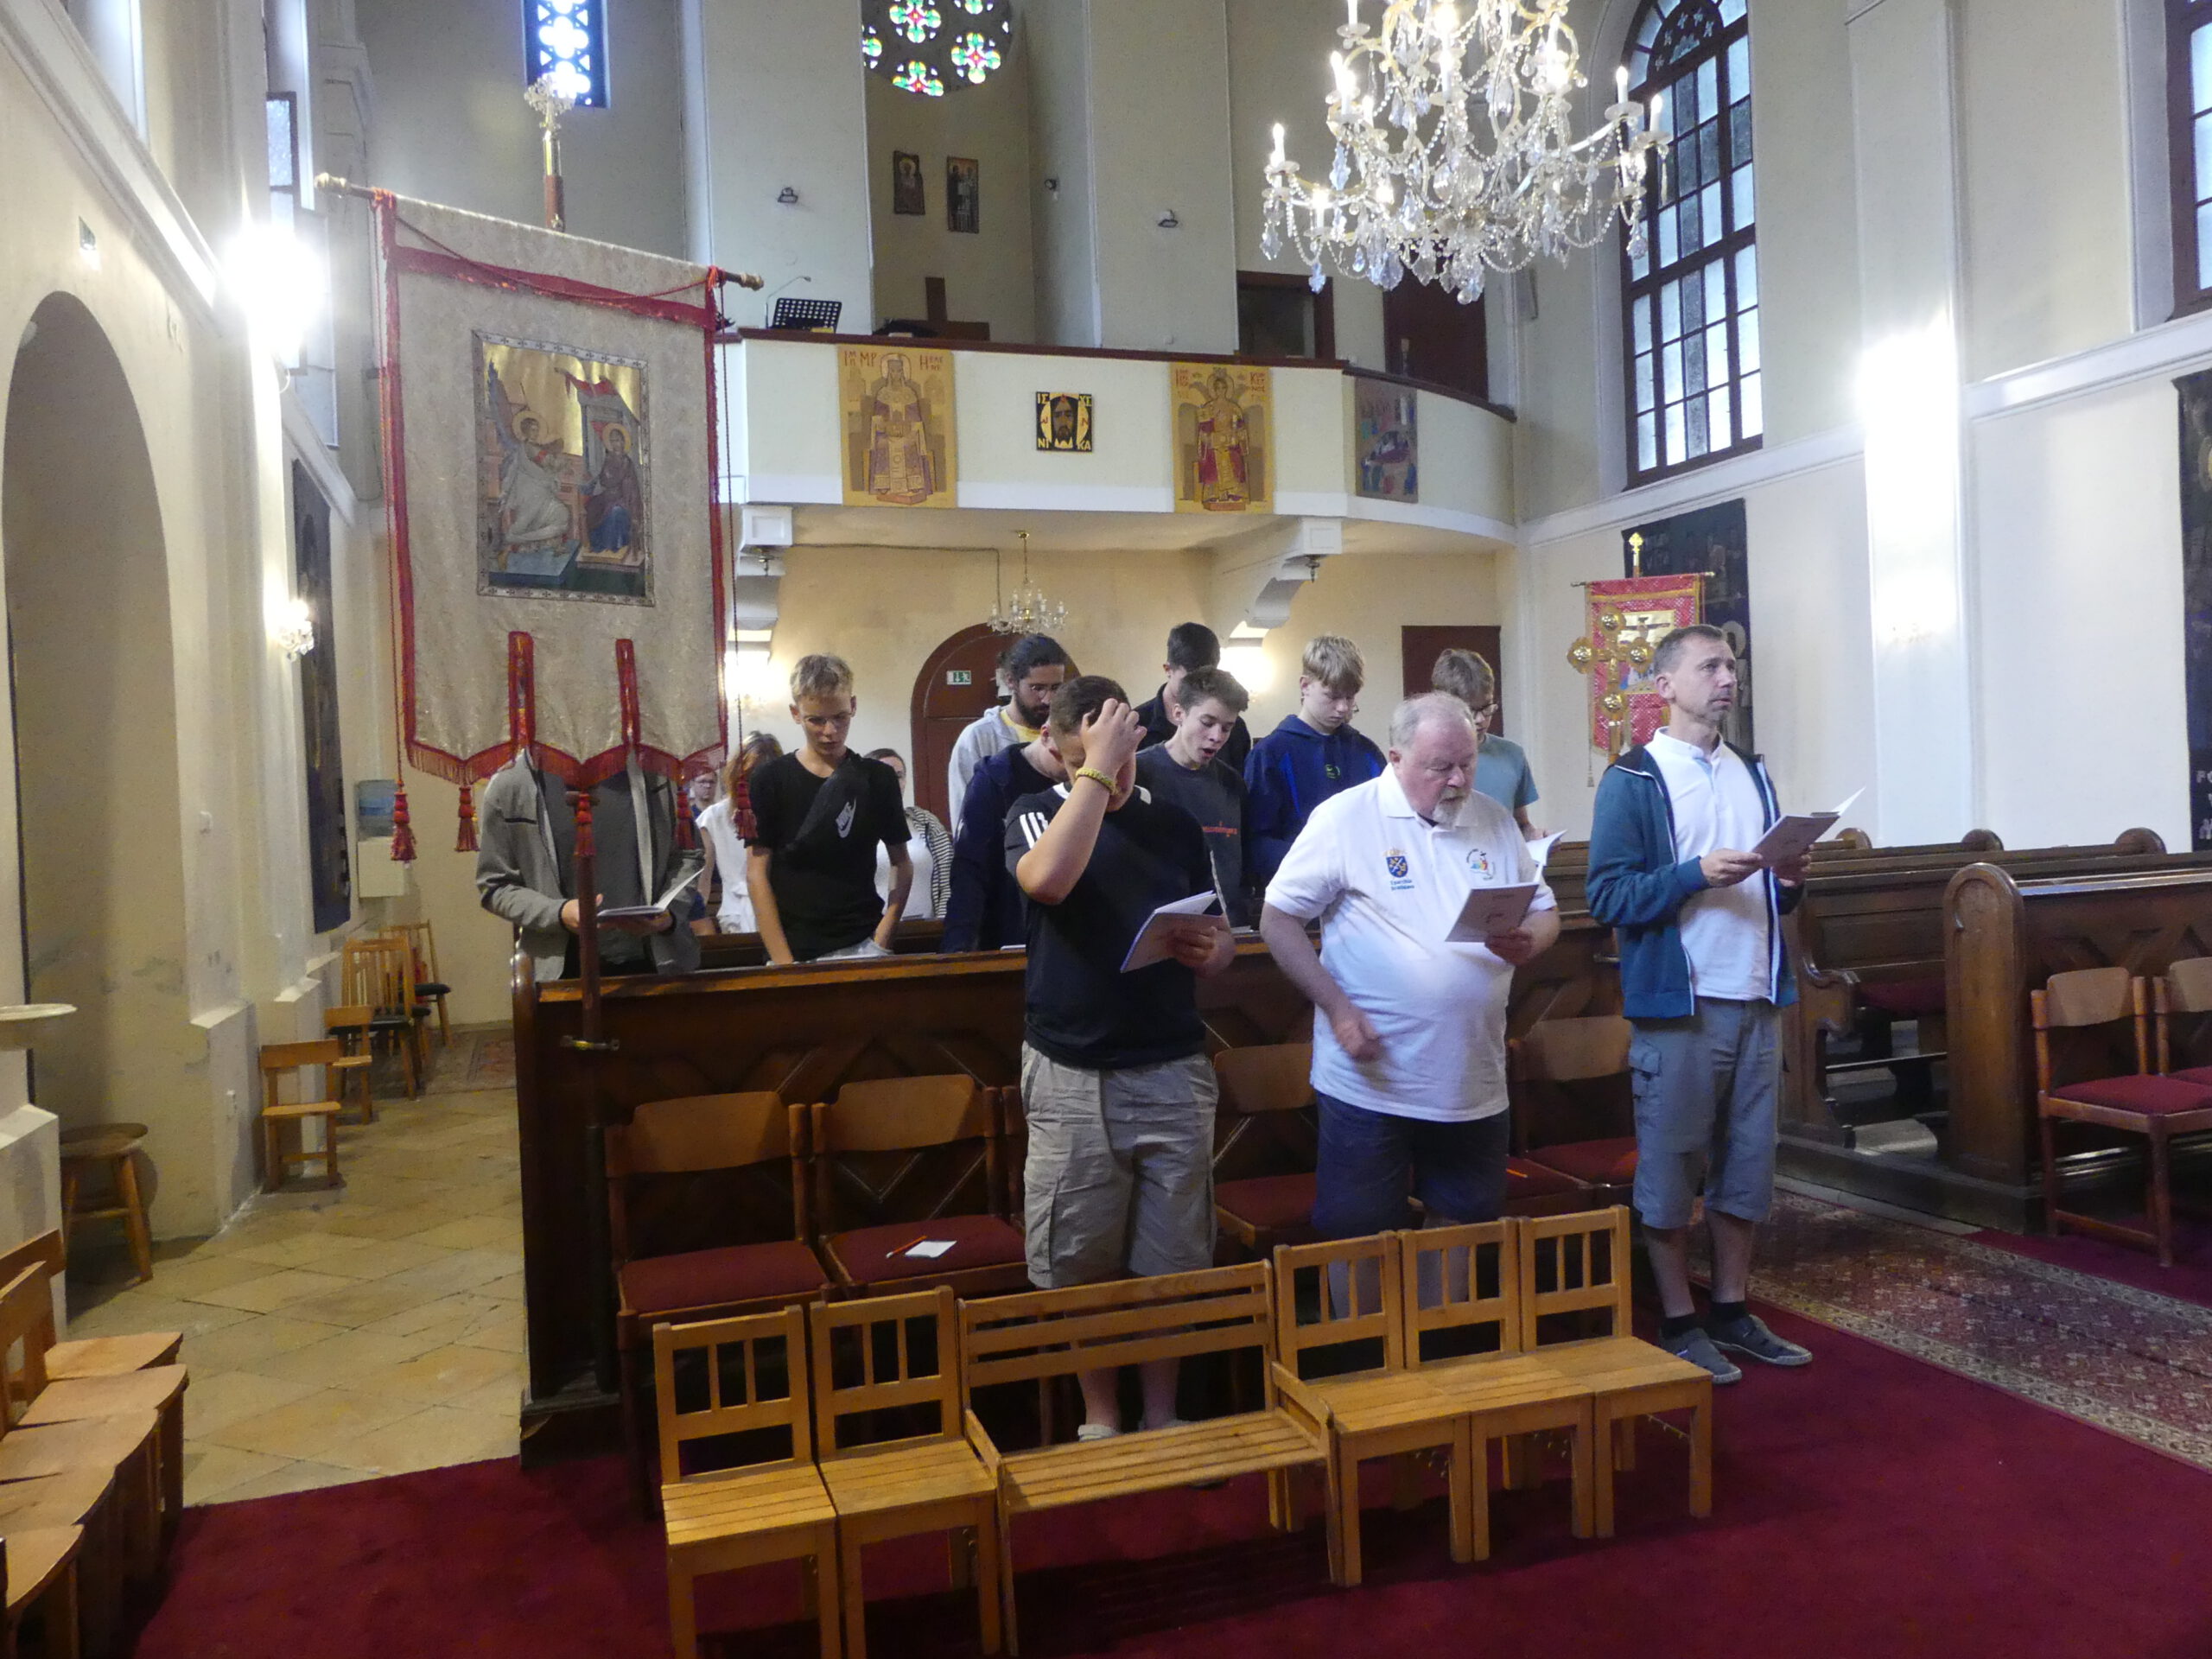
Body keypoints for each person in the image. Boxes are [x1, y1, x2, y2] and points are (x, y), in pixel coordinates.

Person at [1007, 675, 1236, 1439]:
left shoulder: (1173, 823)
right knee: (1081, 1259)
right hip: (1073, 1071)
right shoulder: (1033, 810)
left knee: (1171, 1262)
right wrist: (1096, 775)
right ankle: (1100, 1418)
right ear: (1058, 750)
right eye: (1085, 758)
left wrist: (1211, 950)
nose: (1109, 773)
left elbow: (1220, 935)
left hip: (1169, 1062)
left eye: (1121, 756)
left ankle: (1162, 1415)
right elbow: (1048, 881)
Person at [1586, 623, 1814, 1384]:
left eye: (1731, 666)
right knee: (1674, 1162)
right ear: (1665, 686)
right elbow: (1607, 895)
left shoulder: (1752, 771)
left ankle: (1732, 1308)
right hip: (1680, 1004)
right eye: (1710, 666)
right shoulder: (1635, 778)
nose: (1727, 678)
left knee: (1748, 1165)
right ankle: (1679, 1319)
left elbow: (1774, 889)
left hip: (1755, 992)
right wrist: (1693, 874)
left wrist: (1790, 881)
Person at [1258, 694, 1558, 1240]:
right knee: (1360, 1237)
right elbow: (1277, 921)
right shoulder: (1346, 818)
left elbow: (1545, 912)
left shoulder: (1494, 819)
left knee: (1463, 1228)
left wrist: (1530, 941)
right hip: (1373, 1080)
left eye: (1467, 763)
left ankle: (1440, 1305)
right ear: (1395, 759)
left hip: (1472, 1079)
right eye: (1440, 767)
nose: (1458, 780)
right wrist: (1338, 1009)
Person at [475, 750, 702, 980]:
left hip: (658, 963)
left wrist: (670, 913)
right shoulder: (512, 784)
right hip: (559, 971)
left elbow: (689, 854)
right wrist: (559, 913)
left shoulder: (654, 773)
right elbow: (496, 885)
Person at [745, 655, 912, 964]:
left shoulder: (878, 778)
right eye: (816, 720)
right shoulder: (770, 778)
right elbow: (757, 872)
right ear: (796, 713)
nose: (830, 731)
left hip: (864, 942)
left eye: (840, 717)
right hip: (792, 947)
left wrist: (883, 937)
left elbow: (901, 862)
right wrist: (784, 962)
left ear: (853, 706)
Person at [1244, 633, 1386, 887]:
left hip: (1365, 889)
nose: (1343, 708)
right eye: (1332, 696)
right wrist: (1318, 869)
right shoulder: (1270, 754)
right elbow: (1258, 840)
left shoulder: (1368, 753)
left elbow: (1386, 826)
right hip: (1298, 890)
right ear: (1305, 685)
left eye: (1350, 697)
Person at [1135, 666, 1255, 926]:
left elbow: (1243, 863)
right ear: (1178, 713)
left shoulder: (1232, 783)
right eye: (1207, 723)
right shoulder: (1137, 774)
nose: (1216, 737)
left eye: (1227, 728)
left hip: (1228, 927)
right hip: (1160, 927)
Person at [942, 725, 1066, 953]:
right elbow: (969, 870)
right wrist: (958, 946)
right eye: (1074, 759)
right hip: (1012, 933)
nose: (1077, 772)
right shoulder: (997, 779)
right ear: (1047, 736)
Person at [948, 633, 1071, 833]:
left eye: (1056, 687)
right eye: (1037, 688)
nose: (1048, 699)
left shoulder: (1069, 731)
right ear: (1011, 681)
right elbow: (965, 819)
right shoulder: (979, 737)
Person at [1431, 647, 1541, 836]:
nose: (1481, 719)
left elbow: (1520, 825)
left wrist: (1535, 837)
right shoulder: (1427, 759)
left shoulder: (1512, 755)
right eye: (1470, 710)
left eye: (1487, 707)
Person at [1134, 620, 1252, 773]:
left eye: (1206, 680)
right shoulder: (1136, 723)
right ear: (1168, 669)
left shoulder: (1236, 730)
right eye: (1207, 723)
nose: (1216, 736)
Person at [696, 732, 782, 933]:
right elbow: (703, 879)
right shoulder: (714, 817)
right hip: (735, 914)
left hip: (780, 909)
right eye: (751, 778)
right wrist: (698, 922)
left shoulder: (786, 811)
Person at [867, 747, 953, 919]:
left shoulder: (925, 822)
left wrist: (944, 923)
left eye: (898, 776)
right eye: (884, 775)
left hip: (926, 928)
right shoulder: (854, 827)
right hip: (870, 930)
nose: (893, 782)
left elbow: (948, 879)